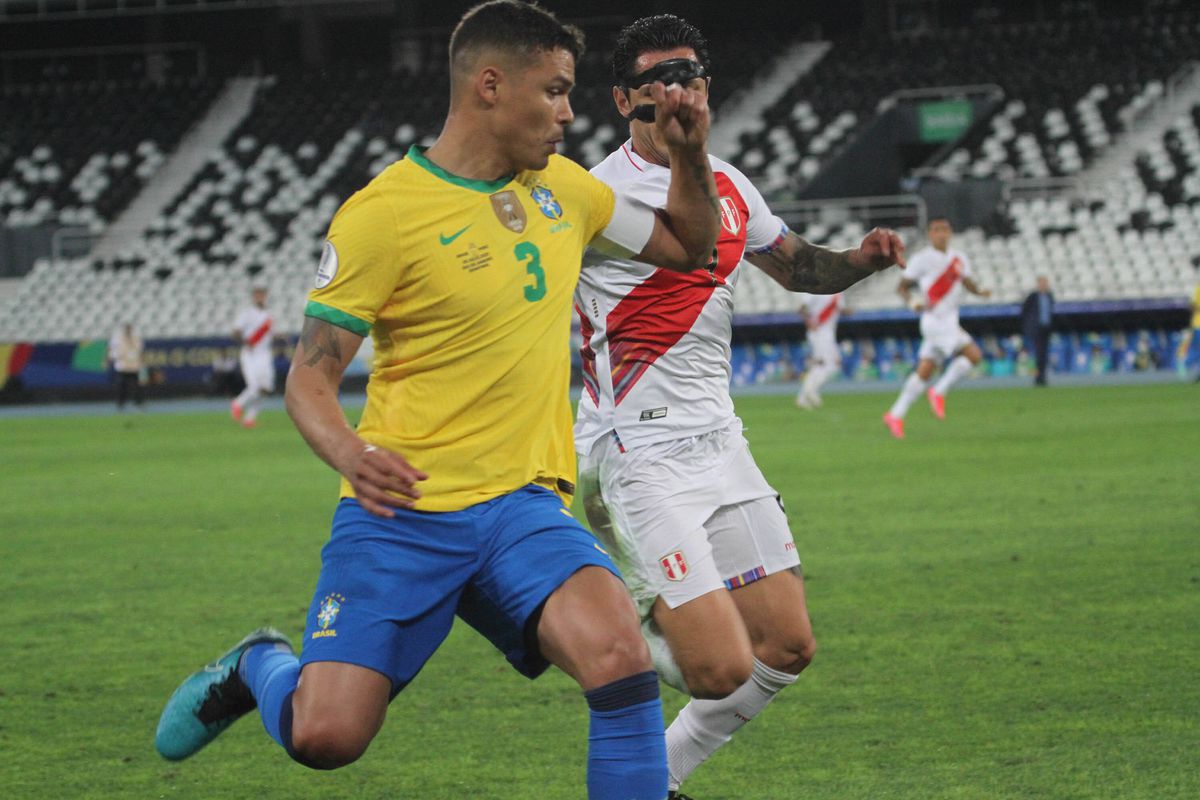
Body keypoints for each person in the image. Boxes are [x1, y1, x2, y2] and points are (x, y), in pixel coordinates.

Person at [154, 3, 723, 798]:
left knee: (619, 657)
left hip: (520, 507)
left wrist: (689, 157)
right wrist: (352, 452)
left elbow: (691, 247)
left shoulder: (565, 190)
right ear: (491, 85)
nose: (568, 115)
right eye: (555, 91)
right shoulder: (384, 214)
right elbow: (310, 379)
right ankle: (260, 663)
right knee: (327, 738)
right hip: (401, 513)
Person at [573, 15, 905, 797]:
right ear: (626, 99)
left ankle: (656, 783)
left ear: (707, 88)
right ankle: (594, 621)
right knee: (715, 669)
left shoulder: (729, 185)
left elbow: (796, 267)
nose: (675, 90)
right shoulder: (594, 196)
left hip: (721, 444)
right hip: (638, 451)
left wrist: (859, 261)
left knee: (786, 647)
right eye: (655, 81)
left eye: (688, 73)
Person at [883, 217, 990, 439]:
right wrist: (913, 302)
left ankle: (895, 414)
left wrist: (979, 292)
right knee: (973, 355)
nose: (941, 233)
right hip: (935, 322)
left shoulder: (958, 258)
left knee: (924, 371)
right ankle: (939, 391)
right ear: (930, 234)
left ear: (950, 232)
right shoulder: (922, 259)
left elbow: (966, 281)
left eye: (944, 229)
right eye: (936, 230)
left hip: (951, 320)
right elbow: (902, 287)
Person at [230, 286, 275, 429]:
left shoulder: (269, 315)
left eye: (262, 295)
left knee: (266, 388)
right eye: (257, 295)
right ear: (253, 297)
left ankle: (250, 418)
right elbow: (236, 332)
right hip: (250, 354)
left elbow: (269, 334)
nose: (260, 297)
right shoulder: (247, 314)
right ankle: (238, 403)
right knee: (254, 386)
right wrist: (245, 342)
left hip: (265, 354)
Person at [796, 291, 845, 409]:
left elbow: (840, 309)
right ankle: (811, 391)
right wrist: (809, 322)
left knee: (821, 365)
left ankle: (803, 397)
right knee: (828, 366)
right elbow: (802, 308)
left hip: (828, 332)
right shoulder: (816, 289)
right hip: (819, 332)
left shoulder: (838, 292)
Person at [1020, 275, 1055, 386]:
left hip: (1046, 328)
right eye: (1042, 282)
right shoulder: (1033, 296)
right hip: (1037, 328)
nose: (1044, 285)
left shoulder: (1050, 296)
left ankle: (1043, 376)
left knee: (1044, 353)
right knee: (1039, 353)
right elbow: (1025, 310)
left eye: (1045, 282)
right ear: (1038, 284)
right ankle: (1038, 377)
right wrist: (1029, 324)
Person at [107, 322, 144, 411]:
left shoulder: (135, 338)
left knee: (135, 386)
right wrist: (109, 359)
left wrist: (141, 363)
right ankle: (120, 403)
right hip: (122, 366)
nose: (127, 330)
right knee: (120, 386)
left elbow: (140, 351)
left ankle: (138, 402)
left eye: (129, 328)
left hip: (133, 366)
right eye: (126, 328)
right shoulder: (117, 339)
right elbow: (111, 350)